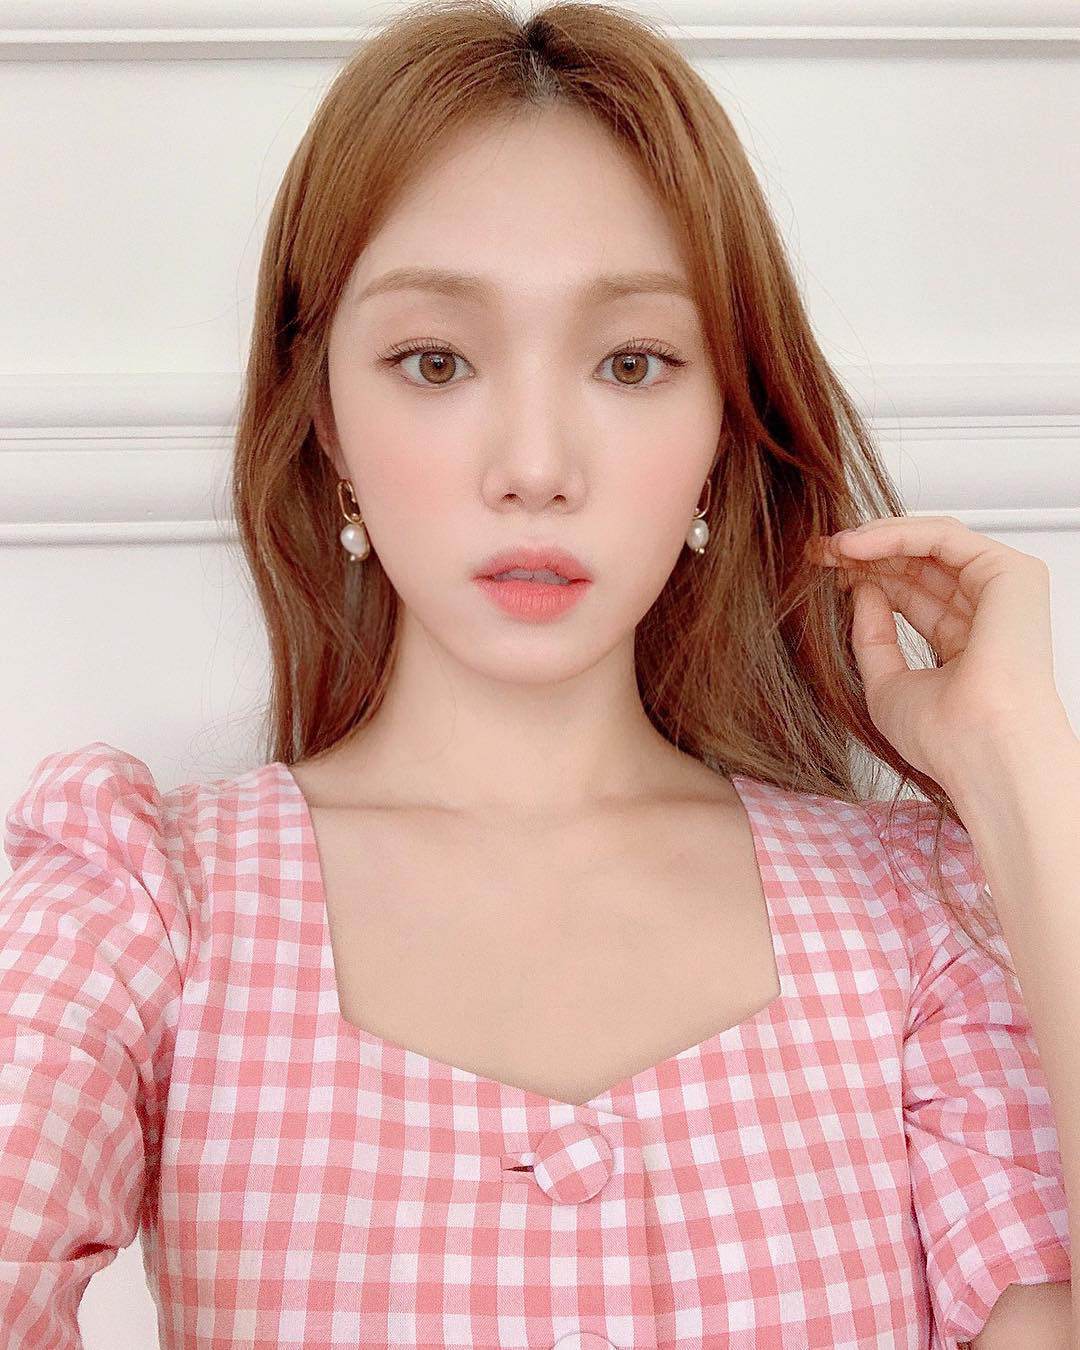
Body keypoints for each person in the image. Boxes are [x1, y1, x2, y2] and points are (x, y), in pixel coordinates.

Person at [1, 1, 1071, 1346]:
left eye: (632, 362)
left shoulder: (914, 920)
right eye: (434, 360)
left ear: (721, 425)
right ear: (325, 417)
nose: (536, 465)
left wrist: (1025, 774)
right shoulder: (145, 907)